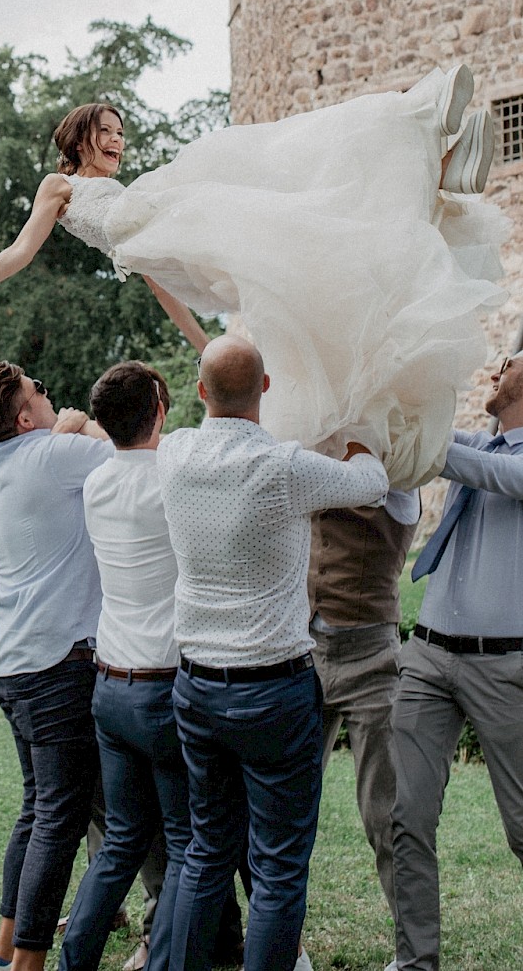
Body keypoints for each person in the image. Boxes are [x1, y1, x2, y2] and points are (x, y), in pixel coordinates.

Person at [0, 67, 505, 488]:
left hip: (175, 227)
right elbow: (23, 250)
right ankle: (428, 168)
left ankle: (421, 131)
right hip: (185, 253)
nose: (116, 141)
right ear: (78, 136)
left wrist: (212, 345)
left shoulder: (131, 198)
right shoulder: (58, 186)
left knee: (271, 179)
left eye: (120, 132)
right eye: (106, 130)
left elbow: (157, 274)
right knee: (285, 219)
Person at [160, 336, 389, 971]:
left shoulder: (174, 453)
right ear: (266, 390)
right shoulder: (284, 467)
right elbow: (371, 483)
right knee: (280, 865)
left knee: (206, 850)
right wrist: (359, 434)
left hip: (196, 686)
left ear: (200, 391)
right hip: (273, 688)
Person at [58, 361, 245, 971]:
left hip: (109, 684)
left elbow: (117, 439)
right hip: (165, 690)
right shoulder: (176, 477)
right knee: (191, 843)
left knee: (119, 845)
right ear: (162, 412)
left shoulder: (96, 483)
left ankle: (74, 961)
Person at [0, 360, 112, 971]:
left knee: (37, 807)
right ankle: (27, 964)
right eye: (41, 392)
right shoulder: (54, 456)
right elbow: (134, 451)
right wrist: (83, 426)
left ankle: (4, 954)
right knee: (60, 816)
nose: (53, 397)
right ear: (25, 416)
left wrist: (64, 434)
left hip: (12, 660)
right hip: (59, 662)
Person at [391, 349, 523, 971]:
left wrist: (420, 437)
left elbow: (457, 460)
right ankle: (418, 964)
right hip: (428, 657)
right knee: (407, 819)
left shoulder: (503, 462)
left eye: (512, 361)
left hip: (506, 670)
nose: (499, 363)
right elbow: (434, 443)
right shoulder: (483, 444)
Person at [307, 486, 420, 919]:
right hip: (305, 654)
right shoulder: (318, 460)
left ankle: (412, 952)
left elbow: (375, 477)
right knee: (285, 813)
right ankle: (286, 947)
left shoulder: (400, 480)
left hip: (372, 659)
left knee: (387, 815)